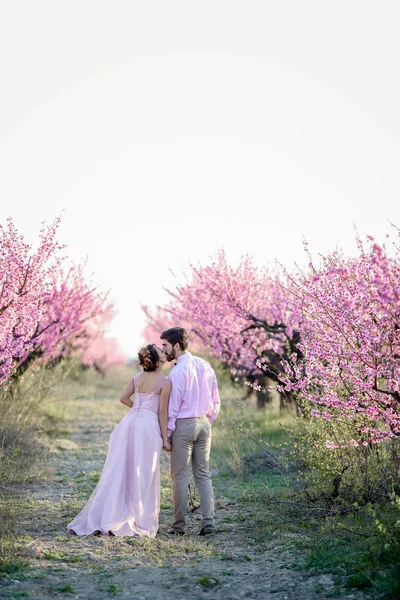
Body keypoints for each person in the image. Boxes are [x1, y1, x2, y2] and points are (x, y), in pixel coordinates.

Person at [67, 344, 171, 537]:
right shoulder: (165, 382)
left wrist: (138, 408)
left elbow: (123, 398)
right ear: (158, 360)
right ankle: (139, 516)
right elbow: (163, 412)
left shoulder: (137, 378)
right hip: (148, 426)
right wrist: (165, 437)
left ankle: (112, 512)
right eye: (162, 352)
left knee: (122, 467)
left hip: (130, 422)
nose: (165, 354)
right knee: (143, 471)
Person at [160, 327, 221, 536]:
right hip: (204, 424)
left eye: (165, 346)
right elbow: (216, 401)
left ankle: (178, 527)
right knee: (203, 475)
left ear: (176, 345)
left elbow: (173, 408)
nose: (163, 350)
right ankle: (209, 523)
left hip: (184, 426)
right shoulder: (205, 365)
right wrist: (207, 421)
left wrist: (167, 435)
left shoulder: (177, 372)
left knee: (180, 477)